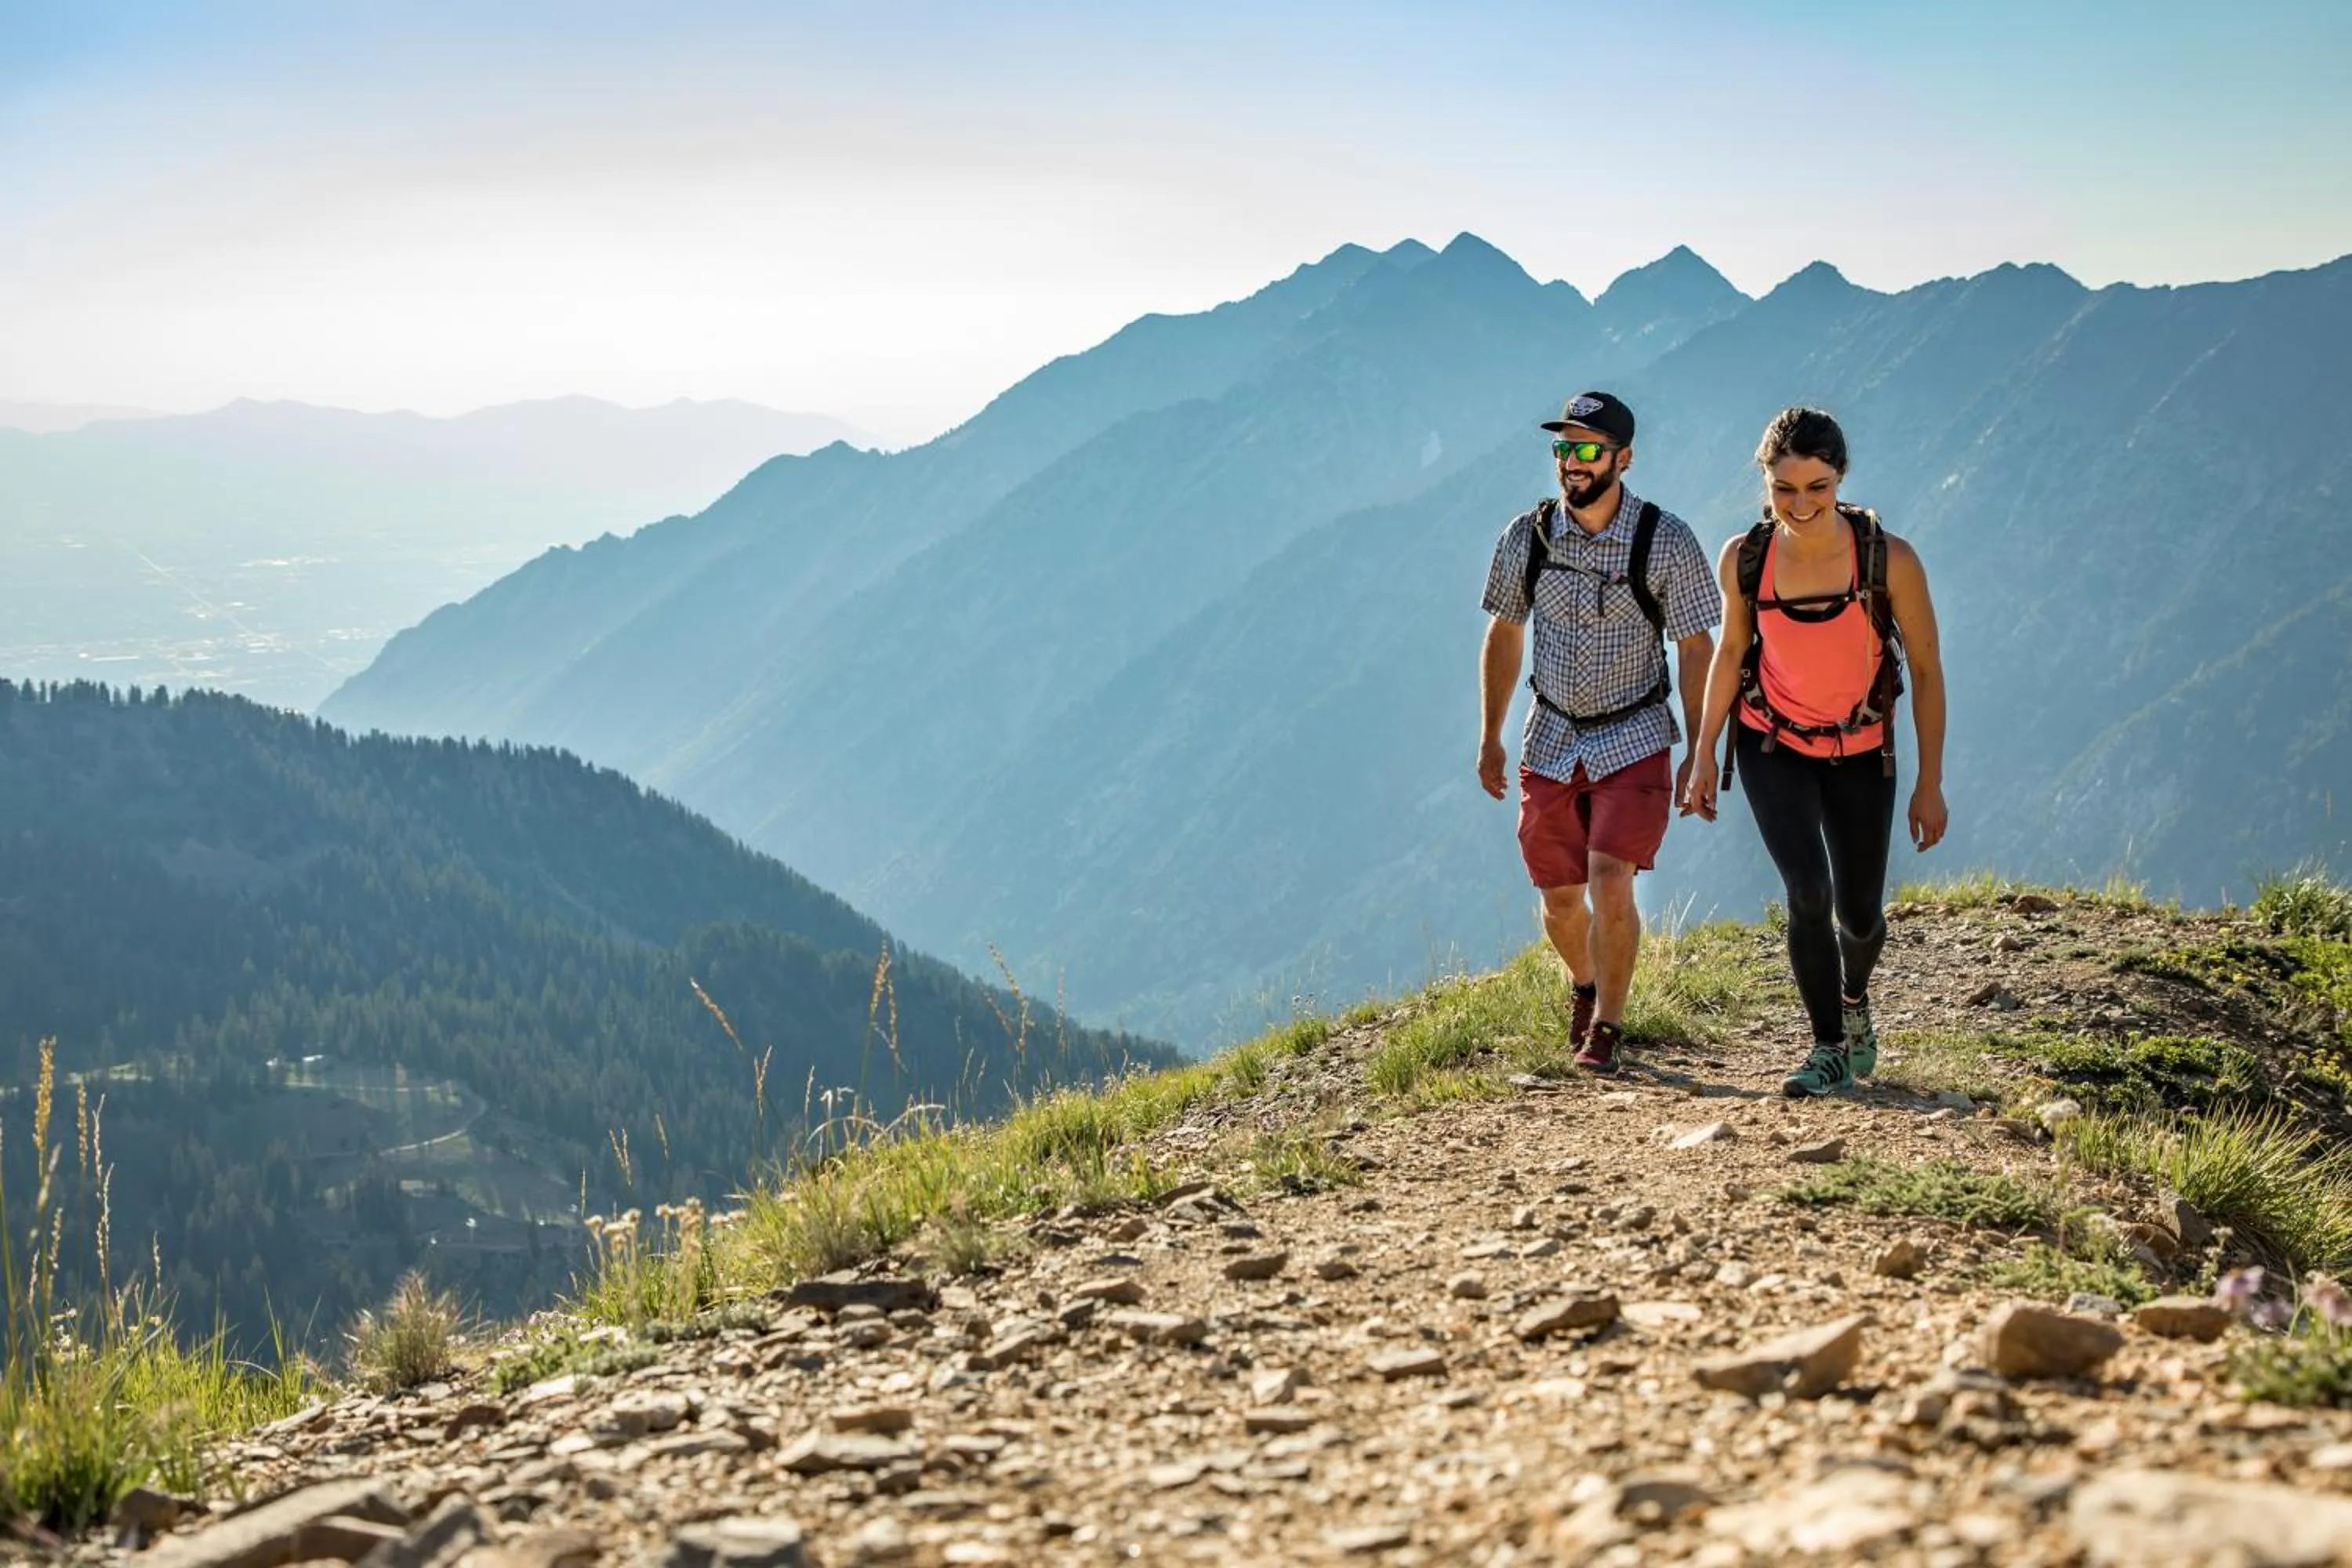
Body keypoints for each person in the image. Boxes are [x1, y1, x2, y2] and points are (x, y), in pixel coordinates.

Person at [1682, 406, 1948, 1098]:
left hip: (1862, 750)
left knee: (1859, 917)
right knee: (1808, 892)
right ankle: (1827, 1045)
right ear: (1765, 482)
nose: (1800, 505)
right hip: (1773, 744)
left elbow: (1925, 670)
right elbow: (1733, 650)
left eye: (1817, 487)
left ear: (1841, 480)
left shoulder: (1888, 559)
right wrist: (1704, 751)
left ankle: (1855, 999)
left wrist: (1931, 783)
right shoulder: (1745, 558)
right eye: (1784, 488)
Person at [1479, 391, 1722, 1074]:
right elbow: (1504, 630)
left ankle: (1609, 1026)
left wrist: (1700, 751)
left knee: (1611, 879)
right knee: (1559, 901)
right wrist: (1491, 736)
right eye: (1564, 448)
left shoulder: (1665, 540)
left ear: (1624, 458)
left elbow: (1697, 645)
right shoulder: (1525, 538)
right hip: (1550, 736)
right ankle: (1585, 986)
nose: (1572, 463)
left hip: (1635, 734)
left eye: (1588, 449)